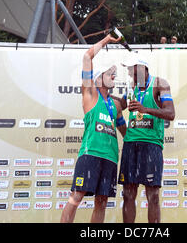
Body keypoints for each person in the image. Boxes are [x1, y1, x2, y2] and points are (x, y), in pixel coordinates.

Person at [60, 34, 127, 223]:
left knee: (102, 202)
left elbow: (124, 132)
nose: (113, 76)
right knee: (76, 198)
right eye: (109, 73)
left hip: (110, 157)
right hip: (91, 155)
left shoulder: (115, 105)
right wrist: (107, 39)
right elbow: (87, 57)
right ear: (98, 79)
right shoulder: (90, 95)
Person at [116, 57, 175, 223]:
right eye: (129, 73)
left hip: (151, 145)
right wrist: (101, 94)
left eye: (134, 73)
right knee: (128, 193)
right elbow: (119, 106)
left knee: (153, 195)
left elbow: (170, 113)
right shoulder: (131, 87)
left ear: (144, 69)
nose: (131, 76)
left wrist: (145, 109)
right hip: (130, 144)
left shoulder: (159, 84)